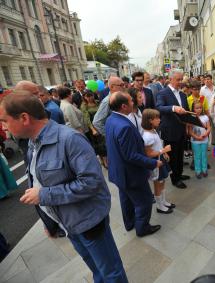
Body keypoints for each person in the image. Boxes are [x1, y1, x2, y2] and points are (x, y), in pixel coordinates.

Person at [0, 92, 128, 282]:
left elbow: (91, 183)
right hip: (68, 223)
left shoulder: (70, 139)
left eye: (4, 120)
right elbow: (39, 179)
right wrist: (48, 220)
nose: (3, 126)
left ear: (24, 118)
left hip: (88, 222)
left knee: (111, 273)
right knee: (97, 270)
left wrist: (44, 195)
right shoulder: (32, 143)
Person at [105, 91, 162, 237]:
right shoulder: (124, 126)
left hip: (119, 173)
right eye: (131, 101)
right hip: (131, 174)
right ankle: (142, 228)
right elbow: (131, 155)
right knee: (144, 201)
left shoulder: (111, 119)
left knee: (126, 199)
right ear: (124, 106)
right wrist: (153, 163)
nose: (133, 102)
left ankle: (130, 223)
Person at [156, 69, 190, 189]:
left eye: (181, 79)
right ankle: (175, 179)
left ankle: (179, 174)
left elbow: (186, 111)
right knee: (173, 156)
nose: (180, 82)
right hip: (170, 130)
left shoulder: (182, 94)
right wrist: (174, 108)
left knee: (180, 154)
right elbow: (159, 107)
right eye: (178, 80)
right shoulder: (163, 93)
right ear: (170, 79)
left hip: (181, 130)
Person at [141, 109, 175, 214]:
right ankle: (160, 206)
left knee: (162, 181)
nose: (159, 120)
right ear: (150, 120)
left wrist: (164, 153)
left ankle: (163, 201)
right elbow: (148, 153)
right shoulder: (147, 136)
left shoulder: (153, 130)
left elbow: (158, 145)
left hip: (160, 158)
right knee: (158, 183)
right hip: (156, 161)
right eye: (157, 118)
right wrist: (163, 151)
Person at [80, 90, 107, 168]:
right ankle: (104, 161)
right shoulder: (84, 105)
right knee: (99, 144)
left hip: (101, 124)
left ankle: (104, 160)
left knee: (103, 142)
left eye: (90, 95)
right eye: (87, 96)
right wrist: (93, 129)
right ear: (84, 97)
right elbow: (87, 119)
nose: (89, 98)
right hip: (93, 127)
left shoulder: (98, 102)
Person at [189, 101, 211, 179]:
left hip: (204, 140)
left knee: (204, 155)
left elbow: (208, 128)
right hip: (195, 141)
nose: (199, 109)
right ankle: (198, 171)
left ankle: (204, 170)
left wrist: (206, 134)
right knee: (197, 156)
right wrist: (196, 137)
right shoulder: (191, 118)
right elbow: (190, 131)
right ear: (193, 109)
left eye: (200, 108)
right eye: (196, 108)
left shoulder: (205, 117)